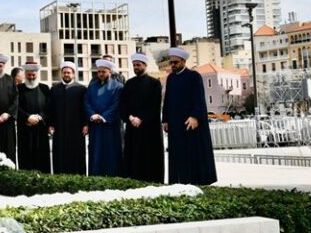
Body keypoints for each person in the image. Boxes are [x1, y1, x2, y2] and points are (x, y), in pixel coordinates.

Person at [162, 47, 217, 185]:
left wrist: (194, 116)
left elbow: (199, 98)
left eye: (175, 62)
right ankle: (177, 182)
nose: (173, 65)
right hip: (175, 125)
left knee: (192, 154)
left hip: (189, 123)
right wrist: (165, 119)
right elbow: (167, 100)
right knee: (177, 154)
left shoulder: (194, 76)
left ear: (183, 61)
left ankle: (194, 182)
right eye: (171, 62)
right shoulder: (170, 78)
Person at [120, 53, 164, 183]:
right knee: (133, 157)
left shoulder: (154, 83)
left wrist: (141, 118)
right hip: (132, 127)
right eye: (134, 65)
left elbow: (154, 105)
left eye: (138, 65)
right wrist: (130, 117)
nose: (136, 67)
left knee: (149, 157)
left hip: (149, 128)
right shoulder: (129, 83)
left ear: (145, 65)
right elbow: (123, 104)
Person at [47, 62, 87, 175]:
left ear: (73, 74)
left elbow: (84, 108)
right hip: (59, 128)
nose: (66, 75)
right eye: (64, 72)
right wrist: (50, 124)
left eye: (69, 72)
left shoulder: (81, 89)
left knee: (76, 155)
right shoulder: (54, 89)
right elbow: (50, 108)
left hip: (76, 129)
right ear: (61, 73)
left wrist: (85, 124)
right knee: (59, 154)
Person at [85, 59, 123, 177]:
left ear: (110, 72)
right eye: (99, 71)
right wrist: (92, 115)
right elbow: (86, 102)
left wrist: (103, 117)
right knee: (96, 153)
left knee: (111, 153)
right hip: (95, 126)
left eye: (103, 71)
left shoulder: (118, 87)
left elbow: (117, 105)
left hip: (111, 126)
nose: (100, 74)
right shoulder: (91, 86)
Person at [17, 62, 50, 172]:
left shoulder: (45, 88)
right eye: (29, 75)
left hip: (41, 128)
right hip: (25, 128)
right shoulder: (18, 88)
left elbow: (49, 107)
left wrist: (40, 117)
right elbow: (15, 107)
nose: (31, 77)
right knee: (25, 156)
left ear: (37, 74)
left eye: (33, 75)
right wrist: (27, 117)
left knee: (42, 157)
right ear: (25, 74)